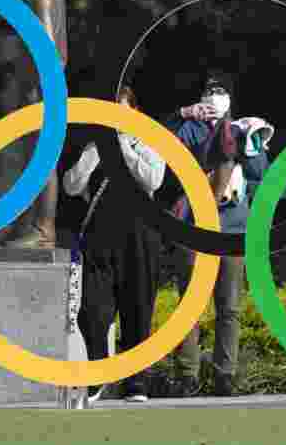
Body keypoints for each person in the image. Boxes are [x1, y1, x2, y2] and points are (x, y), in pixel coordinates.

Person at [164, 71, 271, 397]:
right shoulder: (190, 128)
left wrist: (250, 143)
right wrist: (185, 116)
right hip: (195, 224)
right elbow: (165, 156)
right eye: (210, 90)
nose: (215, 95)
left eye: (221, 90)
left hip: (233, 226)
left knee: (229, 307)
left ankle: (225, 374)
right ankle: (188, 375)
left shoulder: (243, 129)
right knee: (190, 305)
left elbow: (259, 174)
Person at [63, 85, 166, 403]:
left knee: (138, 310)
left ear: (135, 112)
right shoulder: (94, 146)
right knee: (91, 310)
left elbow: (153, 180)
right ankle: (98, 373)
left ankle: (136, 383)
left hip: (140, 237)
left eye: (121, 109)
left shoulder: (148, 142)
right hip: (99, 237)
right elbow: (71, 186)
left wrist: (123, 145)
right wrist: (96, 153)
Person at [0, 0, 68, 249]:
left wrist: (33, 84)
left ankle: (42, 228)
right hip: (42, 88)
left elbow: (47, 51)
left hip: (41, 91)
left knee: (41, 161)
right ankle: (28, 224)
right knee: (33, 161)